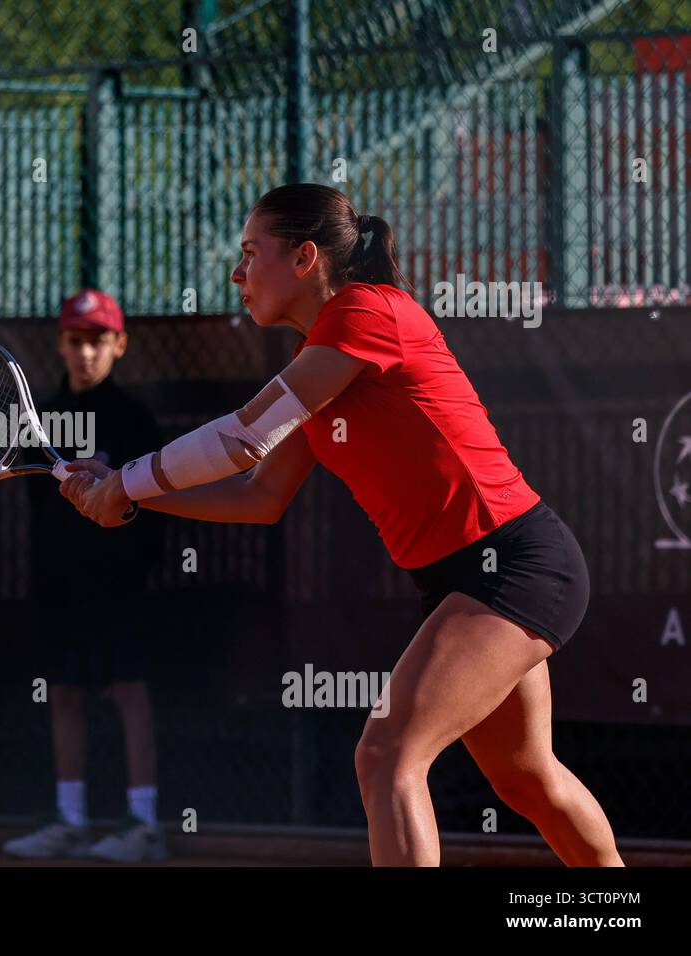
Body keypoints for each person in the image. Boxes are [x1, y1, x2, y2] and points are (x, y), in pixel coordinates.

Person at [59, 184, 623, 867]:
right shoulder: (317, 361)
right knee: (528, 779)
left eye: (251, 253)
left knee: (387, 756)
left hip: (515, 566)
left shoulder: (366, 312)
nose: (237, 273)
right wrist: (130, 497)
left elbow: (243, 438)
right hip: (464, 582)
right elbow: (259, 495)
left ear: (304, 258)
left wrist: (126, 481)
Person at [2, 289, 167, 862]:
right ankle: (70, 821)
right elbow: (38, 508)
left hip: (120, 586)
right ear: (61, 345)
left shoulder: (135, 420)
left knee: (128, 690)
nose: (86, 352)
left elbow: (154, 505)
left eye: (98, 341)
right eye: (75, 341)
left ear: (119, 344)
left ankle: (144, 825)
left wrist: (129, 565)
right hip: (60, 587)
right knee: (64, 692)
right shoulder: (41, 418)